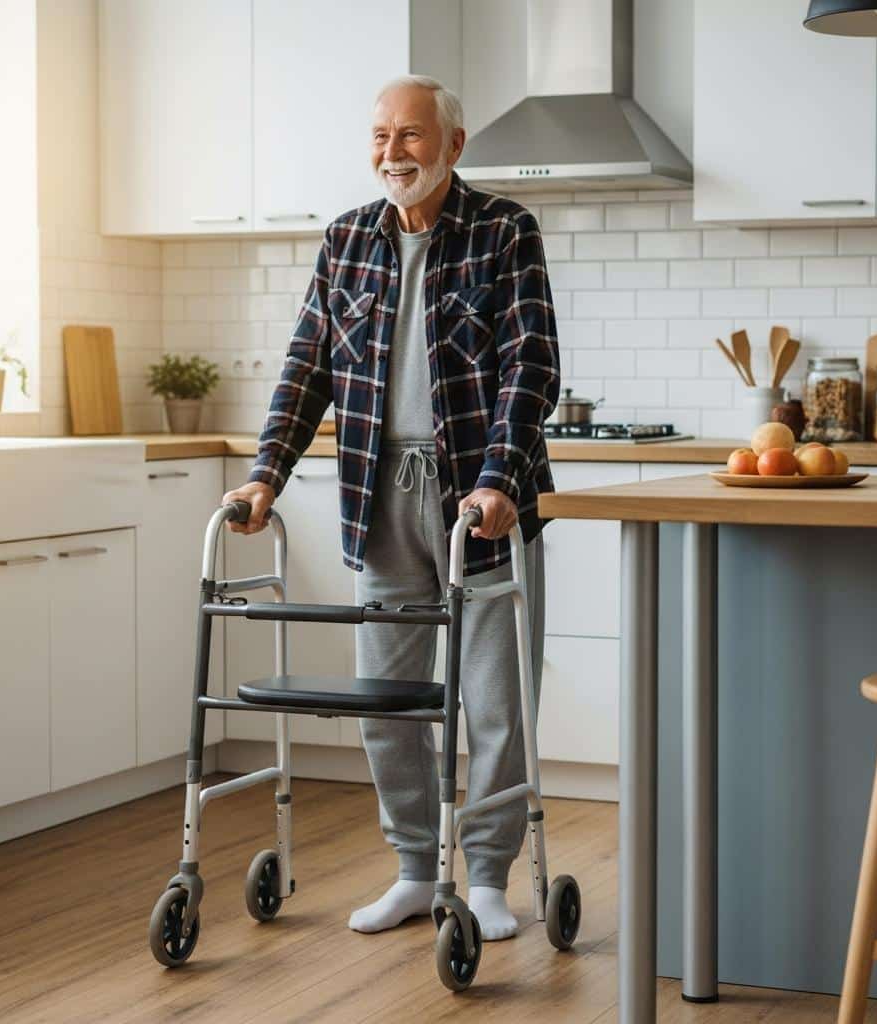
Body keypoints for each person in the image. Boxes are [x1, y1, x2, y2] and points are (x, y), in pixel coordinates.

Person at [222, 74, 559, 941]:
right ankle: (415, 868)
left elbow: (531, 367)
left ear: (454, 144)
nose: (392, 153)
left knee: (492, 700)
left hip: (477, 497)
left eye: (411, 136)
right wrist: (267, 474)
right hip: (377, 488)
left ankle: (485, 878)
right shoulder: (346, 242)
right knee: (387, 698)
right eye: (380, 136)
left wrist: (499, 479)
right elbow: (308, 368)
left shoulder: (501, 231)